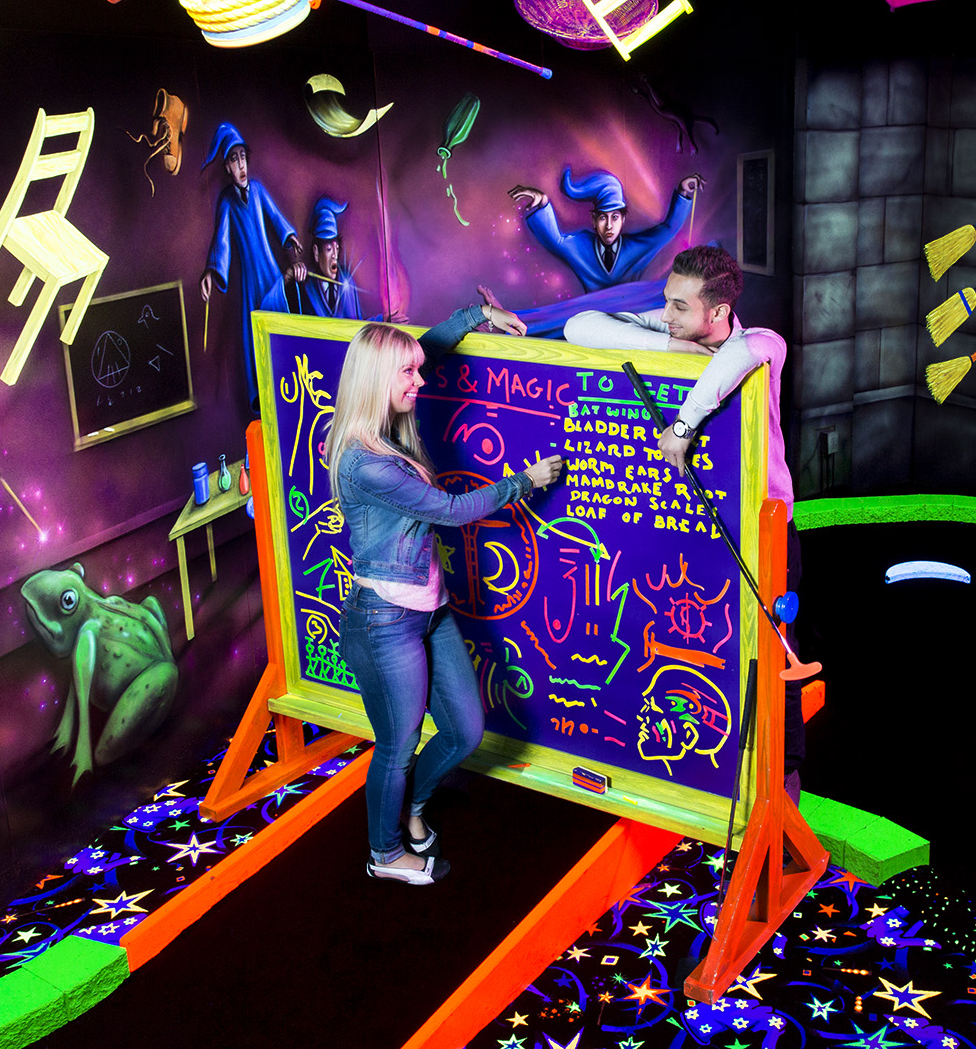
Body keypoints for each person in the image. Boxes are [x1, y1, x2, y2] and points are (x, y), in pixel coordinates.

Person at [325, 300, 566, 884]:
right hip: (385, 621)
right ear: (377, 380)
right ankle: (385, 855)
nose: (421, 379)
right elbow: (452, 511)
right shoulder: (364, 462)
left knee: (463, 731)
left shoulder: (383, 426)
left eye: (416, 370)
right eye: (406, 373)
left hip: (429, 611)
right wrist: (524, 482)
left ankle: (413, 809)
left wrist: (477, 315)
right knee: (397, 746)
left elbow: (425, 349)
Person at [560, 245, 809, 805]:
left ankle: (784, 785)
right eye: (666, 302)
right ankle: (707, 784)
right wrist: (671, 346)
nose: (666, 313)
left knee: (774, 651)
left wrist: (682, 425)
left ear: (717, 312)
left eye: (679, 306)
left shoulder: (761, 342)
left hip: (763, 529)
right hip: (687, 526)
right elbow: (579, 327)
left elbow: (740, 355)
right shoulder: (674, 328)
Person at [504, 167, 704, 337]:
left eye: (615, 217)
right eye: (602, 218)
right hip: (593, 327)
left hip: (632, 327)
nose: (609, 225)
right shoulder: (581, 247)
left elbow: (668, 229)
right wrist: (542, 203)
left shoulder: (638, 247)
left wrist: (683, 193)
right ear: (593, 220)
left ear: (623, 220)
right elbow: (555, 240)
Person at [199, 123, 303, 411]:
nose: (241, 165)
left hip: (270, 272)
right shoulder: (226, 202)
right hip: (249, 283)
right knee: (257, 339)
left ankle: (294, 388)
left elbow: (274, 216)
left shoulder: (257, 190)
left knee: (282, 330)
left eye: (243, 157)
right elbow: (222, 241)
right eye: (234, 159)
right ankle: (268, 399)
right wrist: (211, 271)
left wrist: (288, 235)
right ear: (227, 166)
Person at [300, 196, 373, 322]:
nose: (334, 255)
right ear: (316, 252)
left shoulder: (347, 282)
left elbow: (359, 324)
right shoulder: (307, 289)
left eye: (337, 249)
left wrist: (384, 319)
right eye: (329, 249)